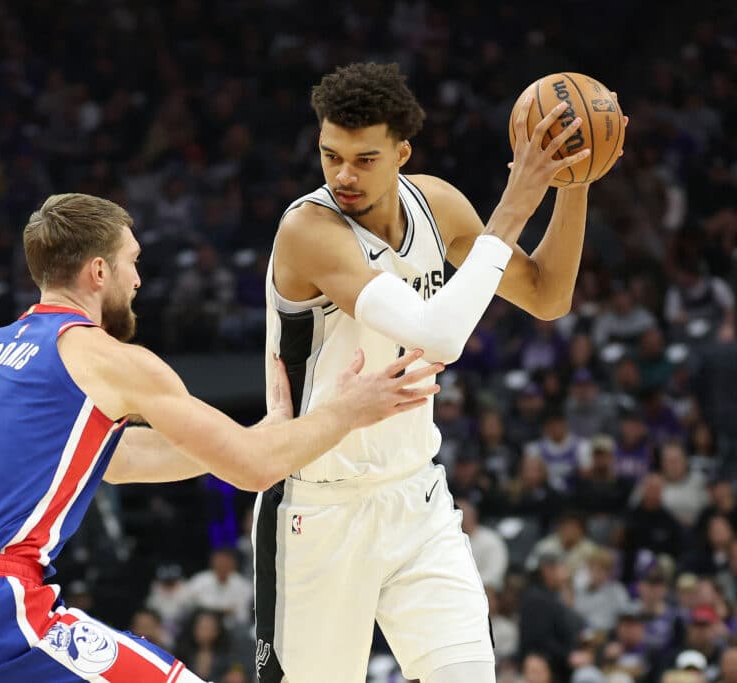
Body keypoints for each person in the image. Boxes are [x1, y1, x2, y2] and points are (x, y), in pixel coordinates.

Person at [0, 192, 443, 683]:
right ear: (98, 271)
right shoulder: (105, 357)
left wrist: (259, 432)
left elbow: (113, 461)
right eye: (131, 262)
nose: (138, 279)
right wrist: (349, 409)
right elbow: (254, 470)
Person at [256, 61, 625, 683]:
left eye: (365, 159)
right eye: (331, 155)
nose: (343, 175)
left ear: (402, 152)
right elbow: (439, 334)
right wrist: (514, 204)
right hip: (316, 507)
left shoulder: (437, 204)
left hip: (415, 496)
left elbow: (546, 294)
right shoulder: (309, 230)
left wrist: (573, 180)